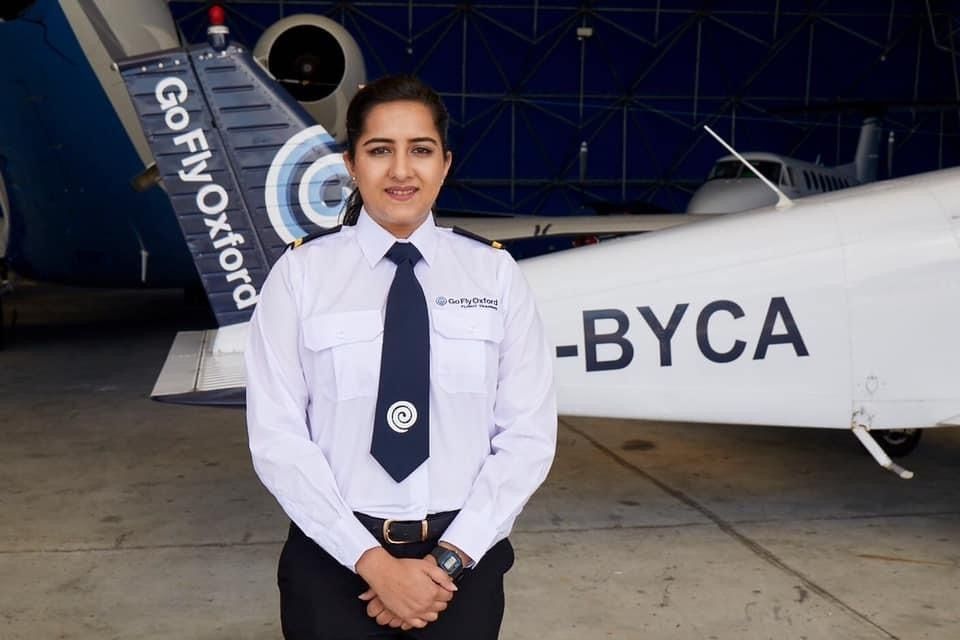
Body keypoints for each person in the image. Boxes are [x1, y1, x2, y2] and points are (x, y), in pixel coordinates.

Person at [245, 74, 557, 640]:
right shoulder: (300, 277)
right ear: (351, 164)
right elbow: (278, 437)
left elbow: (527, 436)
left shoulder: (495, 274)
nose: (401, 170)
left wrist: (448, 563)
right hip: (333, 561)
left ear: (445, 163)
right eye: (379, 150)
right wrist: (372, 563)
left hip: (462, 565)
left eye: (420, 150)